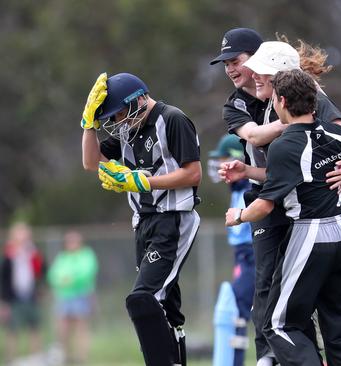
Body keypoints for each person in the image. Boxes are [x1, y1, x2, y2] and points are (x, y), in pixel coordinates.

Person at [225, 69, 341, 366]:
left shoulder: (284, 146)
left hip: (310, 236)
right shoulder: (337, 132)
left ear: (282, 101)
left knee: (278, 324)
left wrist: (238, 216)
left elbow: (265, 206)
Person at [212, 31, 341, 366]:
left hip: (312, 208)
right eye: (226, 64)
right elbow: (255, 137)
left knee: (308, 293)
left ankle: (317, 355)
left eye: (237, 61)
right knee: (266, 285)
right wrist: (297, 122)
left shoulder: (304, 95)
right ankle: (269, 358)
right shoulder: (245, 103)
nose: (231, 70)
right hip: (273, 198)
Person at [80, 71, 202, 366]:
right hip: (143, 222)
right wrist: (88, 125)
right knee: (165, 308)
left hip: (173, 220)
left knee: (142, 299)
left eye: (119, 112)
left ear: (137, 100)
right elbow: (90, 162)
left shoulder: (172, 119)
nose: (118, 121)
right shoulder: (126, 129)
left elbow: (193, 173)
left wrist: (143, 182)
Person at [208, 134, 254, 366]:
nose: (218, 165)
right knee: (235, 309)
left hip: (253, 259)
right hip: (243, 260)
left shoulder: (249, 188)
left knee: (234, 309)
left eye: (224, 158)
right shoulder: (237, 190)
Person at [47, 230, 98, 364]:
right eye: (69, 241)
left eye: (74, 241)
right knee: (62, 328)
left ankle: (81, 357)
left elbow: (87, 272)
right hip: (64, 296)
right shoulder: (62, 257)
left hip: (81, 295)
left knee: (81, 327)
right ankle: (64, 356)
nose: (71, 244)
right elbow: (53, 275)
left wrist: (71, 279)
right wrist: (62, 280)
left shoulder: (86, 255)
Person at [0, 222, 45, 363]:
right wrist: (3, 301)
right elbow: (3, 278)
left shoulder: (33, 252)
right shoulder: (9, 254)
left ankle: (36, 359)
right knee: (13, 330)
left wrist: (40, 289)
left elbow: (41, 271)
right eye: (20, 233)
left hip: (31, 296)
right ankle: (11, 360)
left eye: (25, 233)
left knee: (35, 328)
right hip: (13, 298)